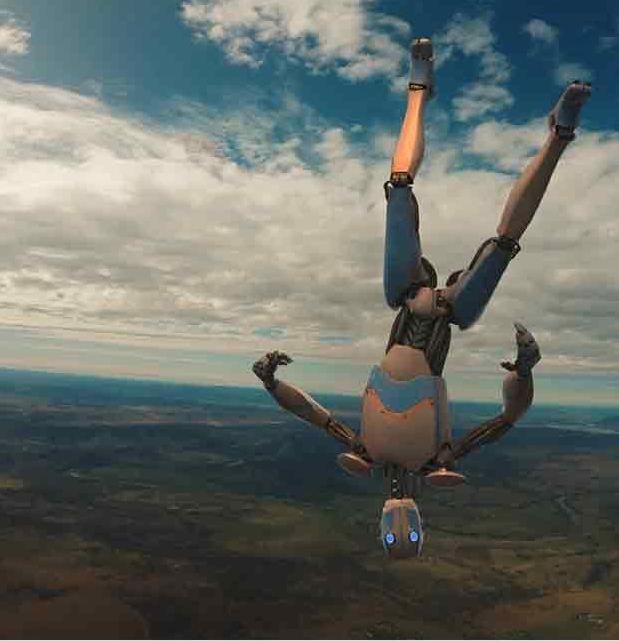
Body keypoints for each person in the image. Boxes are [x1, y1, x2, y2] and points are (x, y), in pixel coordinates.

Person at [253, 36, 590, 558]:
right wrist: (522, 372)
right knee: (503, 244)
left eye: (393, 535)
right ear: (422, 525)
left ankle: (418, 91)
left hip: (405, 298)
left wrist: (273, 384)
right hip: (452, 313)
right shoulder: (443, 455)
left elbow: (313, 415)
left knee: (399, 187)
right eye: (409, 534)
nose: (401, 523)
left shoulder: (362, 447)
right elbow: (506, 420)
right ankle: (558, 136)